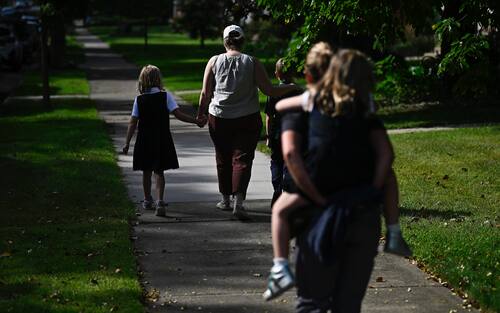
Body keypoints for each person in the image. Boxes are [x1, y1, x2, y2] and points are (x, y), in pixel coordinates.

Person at [196, 25, 300, 221]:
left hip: (218, 116)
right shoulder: (252, 62)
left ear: (225, 41)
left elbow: (205, 93)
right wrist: (292, 86)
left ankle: (225, 199)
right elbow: (269, 90)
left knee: (223, 157)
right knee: (242, 159)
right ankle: (239, 203)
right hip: (247, 117)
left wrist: (201, 114)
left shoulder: (214, 61)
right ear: (242, 41)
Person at [263, 42, 334, 301]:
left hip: (310, 175)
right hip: (340, 180)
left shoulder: (299, 103)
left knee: (282, 211)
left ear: (307, 75)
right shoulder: (348, 101)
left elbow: (279, 111)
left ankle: (281, 267)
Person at [122, 65, 205, 217]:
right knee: (159, 171)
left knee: (146, 171)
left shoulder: (139, 100)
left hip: (144, 139)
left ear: (142, 81)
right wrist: (195, 121)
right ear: (158, 79)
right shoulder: (165, 96)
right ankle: (160, 201)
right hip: (161, 138)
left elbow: (133, 122)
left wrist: (127, 142)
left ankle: (147, 200)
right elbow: (178, 114)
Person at [265, 58, 303, 208]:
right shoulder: (299, 91)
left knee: (276, 162)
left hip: (277, 134)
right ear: (294, 73)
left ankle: (277, 188)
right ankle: (286, 189)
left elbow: (269, 117)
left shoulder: (274, 92)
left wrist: (268, 136)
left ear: (276, 74)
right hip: (294, 133)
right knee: (290, 163)